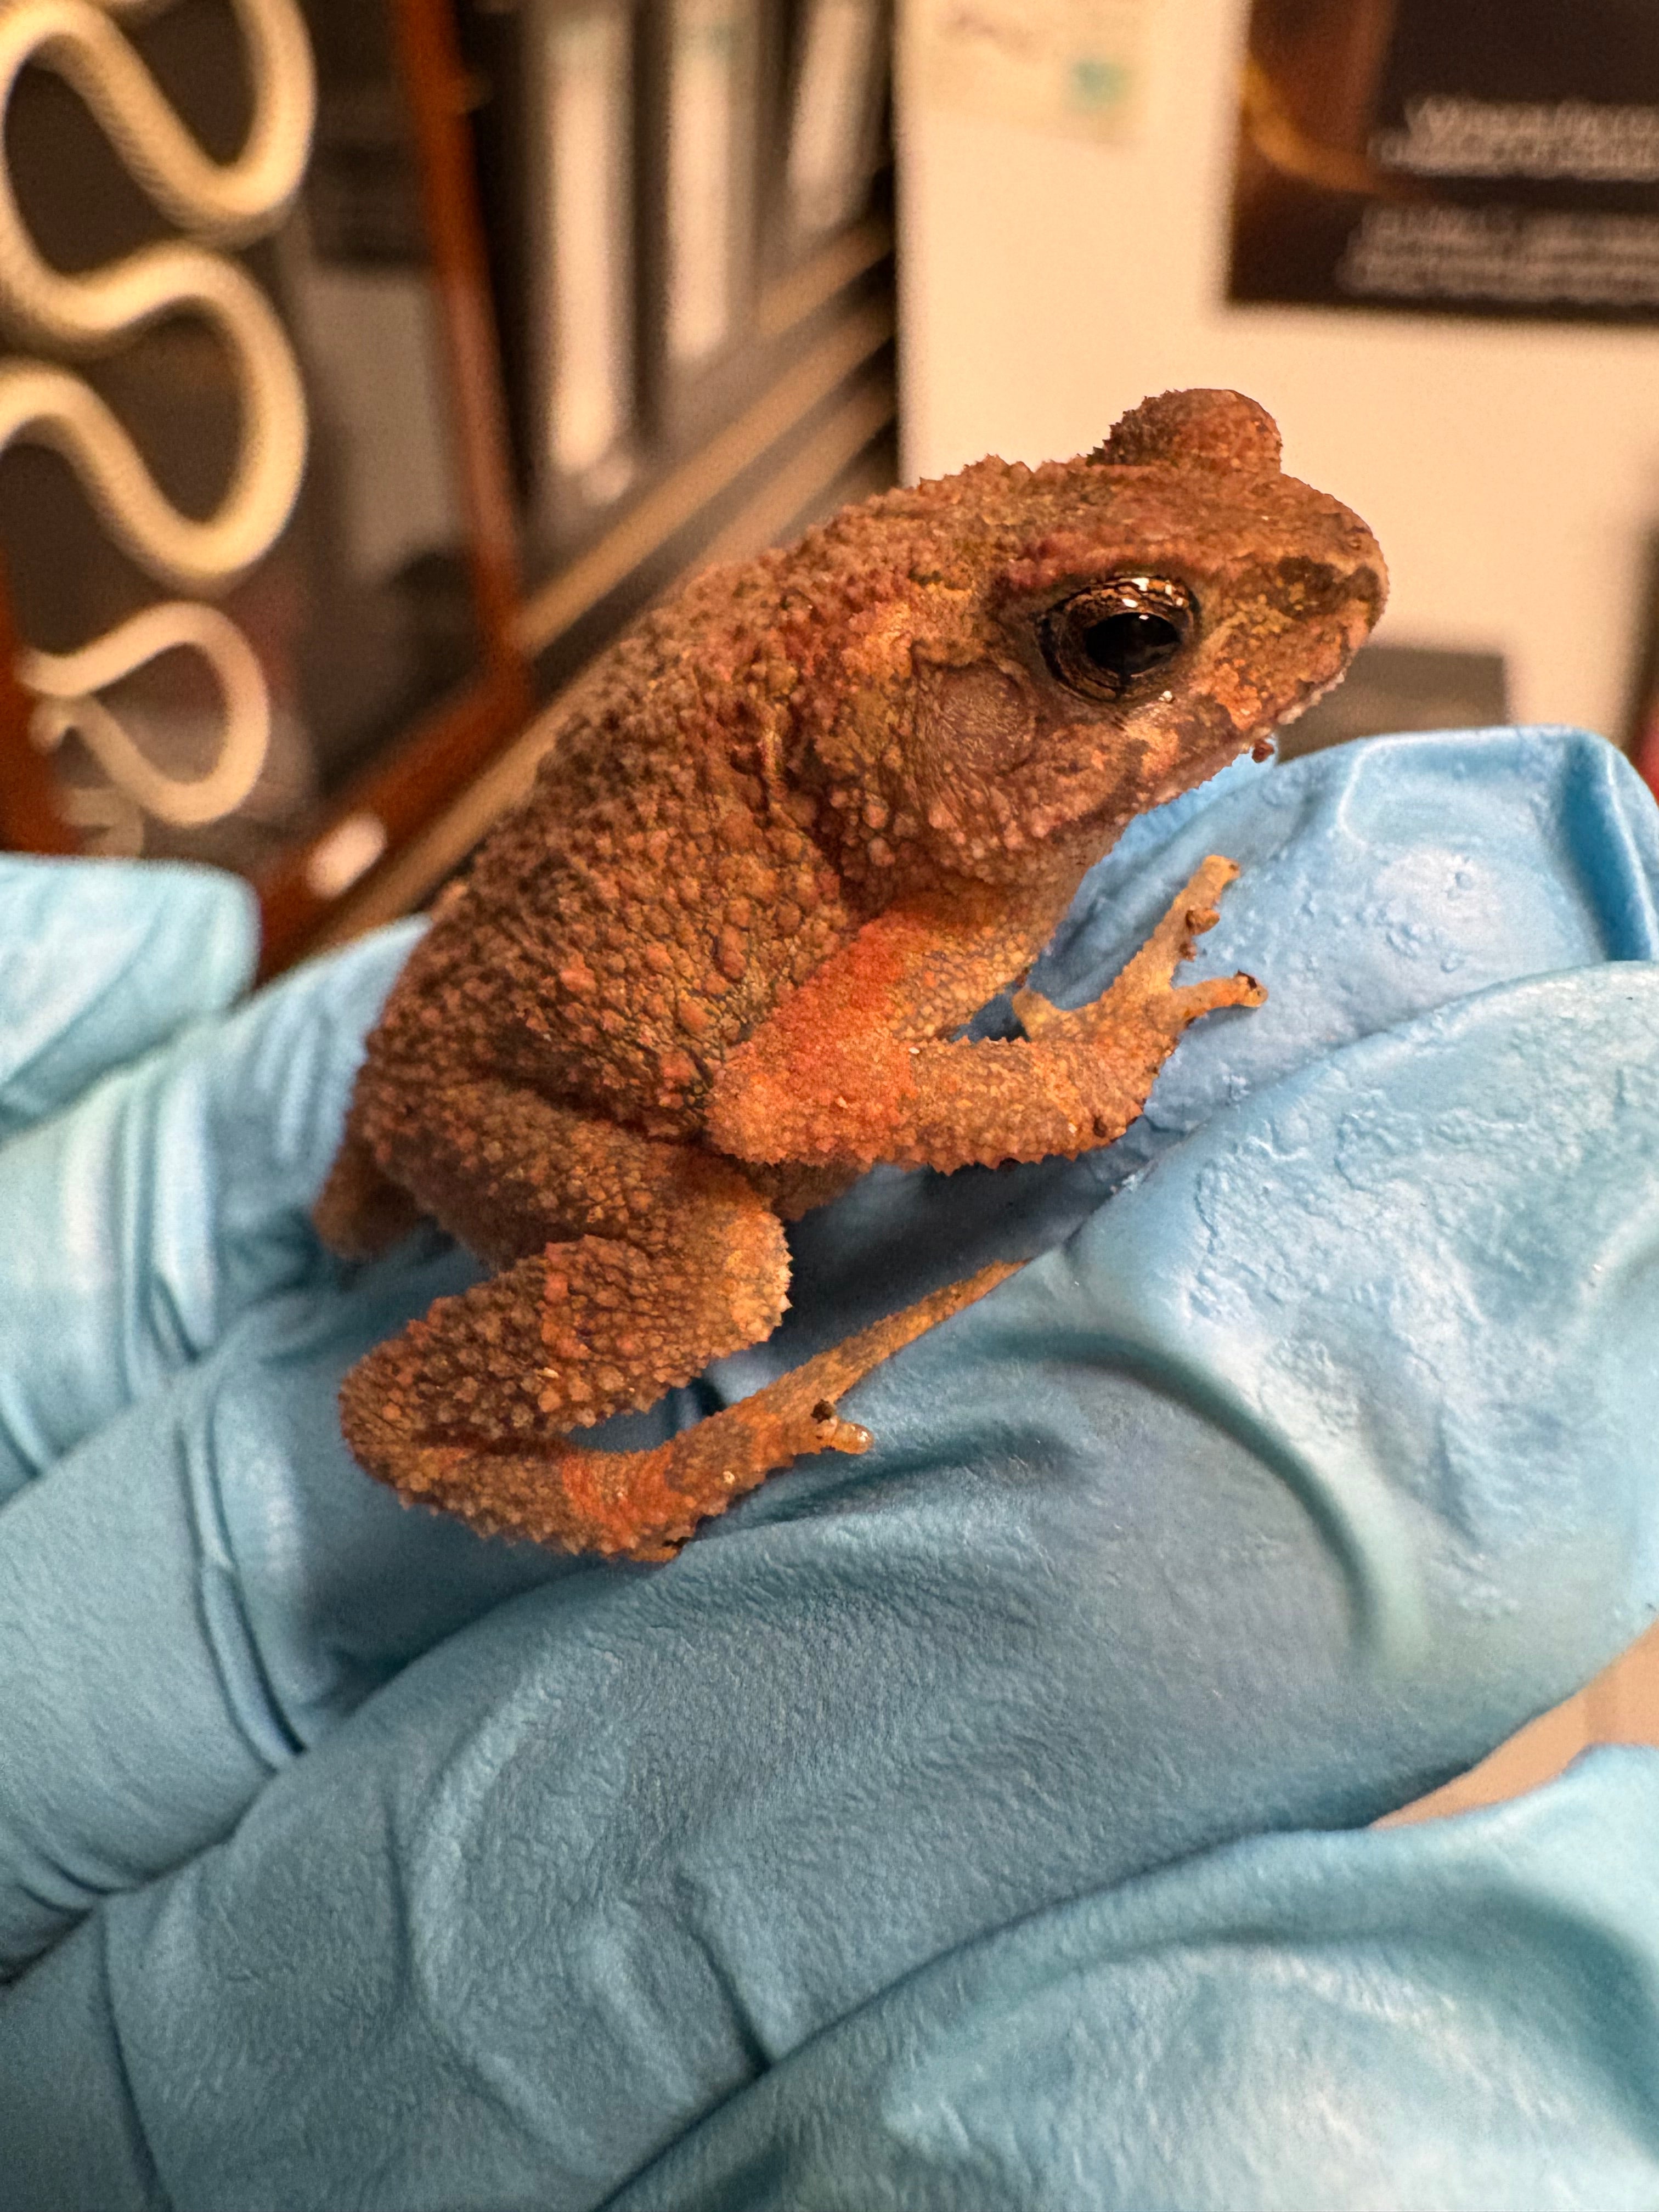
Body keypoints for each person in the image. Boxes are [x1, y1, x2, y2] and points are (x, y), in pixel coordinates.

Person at [1, 725, 1656, 2210]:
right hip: (543, 1076)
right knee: (721, 1284)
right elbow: (797, 1091)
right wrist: (1096, 1063)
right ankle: (603, 1474)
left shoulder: (971, 830)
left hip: (531, 998)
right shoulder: (932, 849)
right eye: (1127, 643)